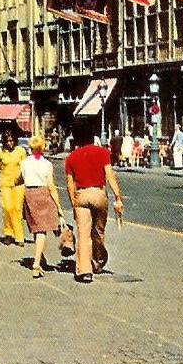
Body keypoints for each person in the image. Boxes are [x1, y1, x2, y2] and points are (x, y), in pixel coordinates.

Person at [64, 121, 123, 284]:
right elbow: (110, 175)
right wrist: (117, 197)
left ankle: (84, 271)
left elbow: (70, 185)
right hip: (98, 193)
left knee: (83, 233)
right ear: (92, 136)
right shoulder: (102, 153)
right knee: (98, 231)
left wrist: (74, 203)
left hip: (81, 195)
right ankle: (97, 262)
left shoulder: (70, 158)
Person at [21, 135, 64, 278]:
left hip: (29, 194)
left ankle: (40, 256)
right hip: (43, 194)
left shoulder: (25, 163)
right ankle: (36, 264)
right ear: (42, 147)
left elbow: (18, 178)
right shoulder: (46, 164)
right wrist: (59, 206)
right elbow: (51, 186)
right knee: (42, 230)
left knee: (36, 227)